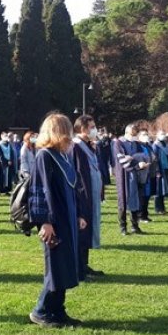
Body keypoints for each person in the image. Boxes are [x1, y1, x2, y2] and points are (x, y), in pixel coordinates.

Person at [28, 113, 86, 327]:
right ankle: (41, 310)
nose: (70, 135)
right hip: (54, 221)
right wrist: (44, 221)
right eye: (67, 130)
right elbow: (38, 191)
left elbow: (73, 189)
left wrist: (79, 214)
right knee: (55, 267)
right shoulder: (44, 156)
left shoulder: (63, 156)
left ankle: (58, 310)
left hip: (67, 219)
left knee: (64, 266)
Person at [72, 115, 105, 281]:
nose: (95, 129)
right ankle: (78, 269)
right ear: (82, 129)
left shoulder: (88, 145)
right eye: (92, 126)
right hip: (83, 197)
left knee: (88, 231)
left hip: (91, 196)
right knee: (82, 231)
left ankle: (84, 264)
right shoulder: (77, 147)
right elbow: (79, 175)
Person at [113, 124, 148, 235]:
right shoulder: (118, 143)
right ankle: (123, 227)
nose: (134, 137)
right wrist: (137, 163)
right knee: (123, 200)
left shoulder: (136, 143)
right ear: (127, 132)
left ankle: (135, 226)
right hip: (124, 175)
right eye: (132, 134)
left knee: (135, 200)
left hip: (135, 176)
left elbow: (142, 156)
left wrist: (137, 160)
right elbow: (122, 159)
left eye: (135, 135)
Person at [136, 127, 156, 223]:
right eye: (143, 135)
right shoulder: (138, 146)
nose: (146, 136)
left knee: (148, 195)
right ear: (139, 137)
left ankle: (145, 214)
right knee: (142, 195)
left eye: (146, 134)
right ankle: (140, 215)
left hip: (150, 173)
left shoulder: (149, 146)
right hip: (141, 173)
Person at [152, 131, 168, 215]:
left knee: (163, 190)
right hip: (159, 170)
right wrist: (157, 170)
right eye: (161, 134)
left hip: (166, 168)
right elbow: (154, 159)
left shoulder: (165, 145)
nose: (163, 136)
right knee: (158, 190)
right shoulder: (155, 145)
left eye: (164, 134)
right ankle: (158, 208)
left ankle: (162, 208)